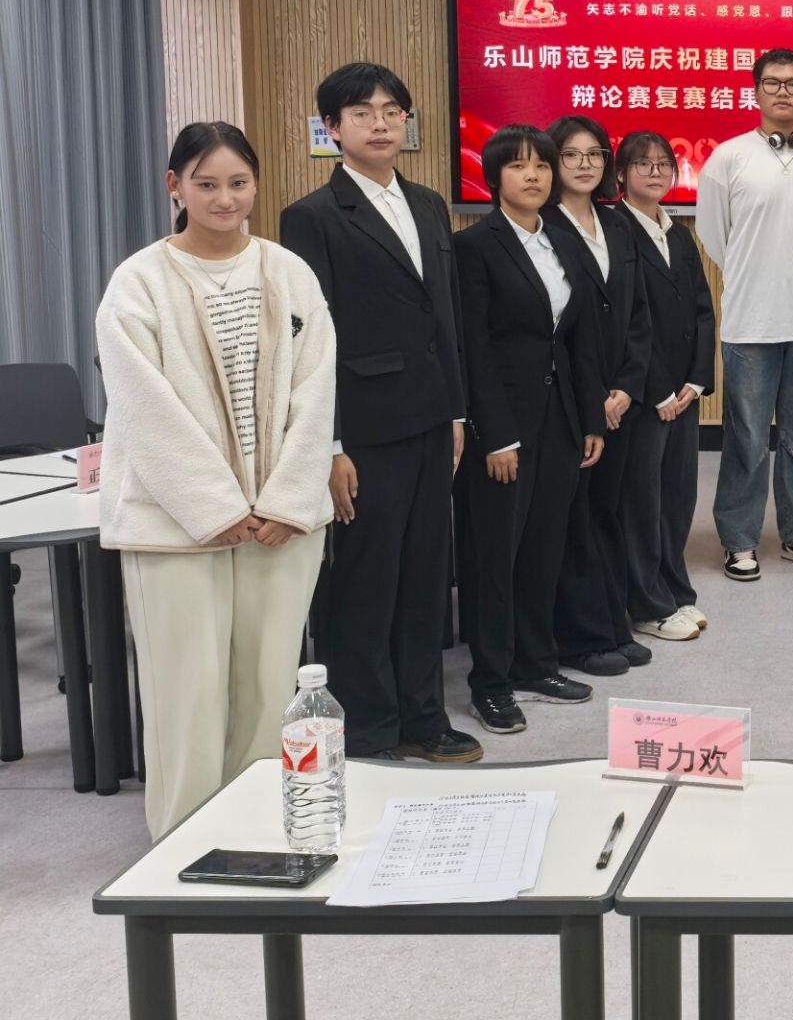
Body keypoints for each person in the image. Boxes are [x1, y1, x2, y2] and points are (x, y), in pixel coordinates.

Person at [97, 123, 336, 837]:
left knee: (270, 683)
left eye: (237, 183)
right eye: (206, 184)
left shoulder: (289, 272)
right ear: (175, 187)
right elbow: (143, 409)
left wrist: (288, 501)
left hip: (280, 522)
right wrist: (213, 506)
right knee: (185, 692)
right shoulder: (138, 281)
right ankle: (183, 842)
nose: (224, 198)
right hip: (175, 522)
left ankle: (259, 826)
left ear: (256, 185)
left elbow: (316, 390)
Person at [280, 63, 479, 763]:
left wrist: (457, 412)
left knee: (426, 575)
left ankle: (425, 718)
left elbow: (445, 316)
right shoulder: (311, 217)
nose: (381, 124)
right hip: (363, 427)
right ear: (332, 128)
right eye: (362, 113)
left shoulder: (428, 204)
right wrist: (330, 444)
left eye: (393, 111)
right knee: (367, 578)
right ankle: (367, 727)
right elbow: (309, 339)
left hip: (430, 419)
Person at [453, 126, 606, 735]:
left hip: (560, 421)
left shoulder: (560, 240)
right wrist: (495, 435)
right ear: (494, 179)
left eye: (542, 165)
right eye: (519, 167)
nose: (535, 176)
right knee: (495, 556)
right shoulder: (475, 245)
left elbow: (576, 339)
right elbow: (474, 348)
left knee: (544, 549)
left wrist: (589, 418)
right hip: (505, 429)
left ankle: (535, 663)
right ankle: (490, 681)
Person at [696, 49, 793, 579]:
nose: (782, 91)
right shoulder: (728, 157)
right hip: (750, 320)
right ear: (755, 90)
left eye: (792, 83)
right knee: (746, 437)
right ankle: (739, 540)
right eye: (772, 82)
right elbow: (715, 235)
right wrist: (756, 272)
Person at [544, 116, 654, 677]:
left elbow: (639, 314)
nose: (585, 164)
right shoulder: (544, 227)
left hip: (620, 400)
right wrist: (595, 399)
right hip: (573, 403)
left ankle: (612, 625)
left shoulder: (618, 223)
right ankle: (579, 639)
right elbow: (561, 333)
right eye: (571, 154)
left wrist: (628, 387)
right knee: (575, 519)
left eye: (594, 154)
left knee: (609, 512)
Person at [614, 131, 715, 642]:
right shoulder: (615, 229)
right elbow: (631, 322)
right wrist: (657, 392)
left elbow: (702, 309)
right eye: (642, 164)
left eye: (663, 165)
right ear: (621, 174)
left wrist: (696, 381)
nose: (655, 173)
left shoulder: (676, 232)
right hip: (647, 397)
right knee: (643, 501)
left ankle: (675, 589)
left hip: (684, 393)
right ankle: (647, 605)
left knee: (677, 497)